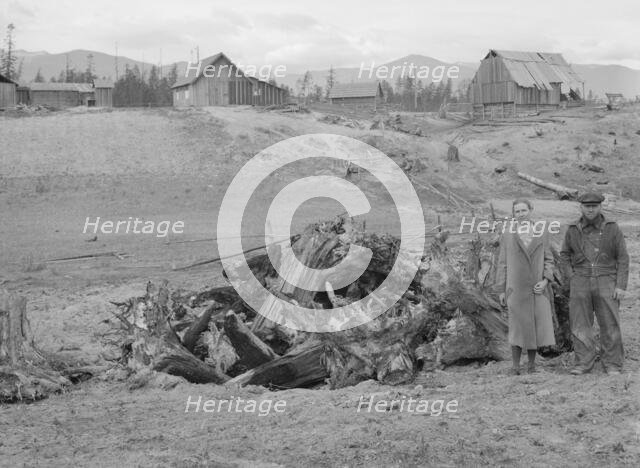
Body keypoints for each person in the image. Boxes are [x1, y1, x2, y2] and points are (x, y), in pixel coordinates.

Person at [559, 192, 629, 375]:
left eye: (594, 206)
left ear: (600, 207)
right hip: (580, 280)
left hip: (607, 280)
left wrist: (621, 285)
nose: (590, 209)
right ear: (580, 207)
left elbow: (623, 258)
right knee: (580, 324)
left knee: (610, 323)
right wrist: (571, 277)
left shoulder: (612, 228)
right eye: (587, 206)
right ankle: (583, 362)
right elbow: (565, 255)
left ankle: (613, 364)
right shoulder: (573, 229)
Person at [496, 199, 556, 375]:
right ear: (513, 214)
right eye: (517, 211)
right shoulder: (508, 233)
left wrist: (545, 281)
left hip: (536, 288)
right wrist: (501, 289)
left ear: (531, 210)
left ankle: (531, 365)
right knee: (516, 326)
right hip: (515, 288)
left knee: (534, 326)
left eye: (524, 210)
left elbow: (549, 259)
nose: (521, 214)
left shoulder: (541, 232)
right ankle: (515, 366)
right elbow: (502, 263)